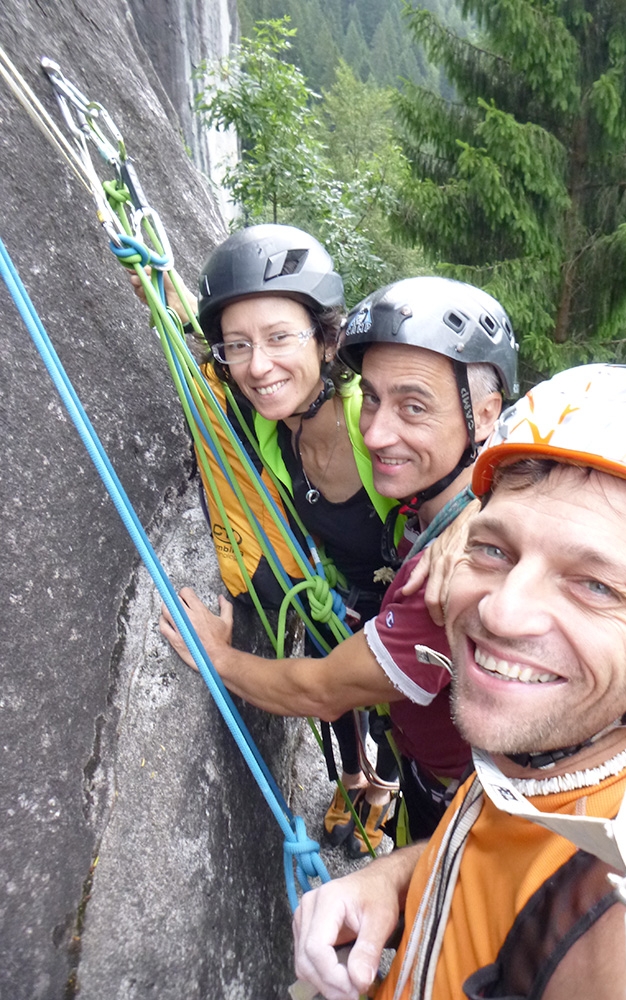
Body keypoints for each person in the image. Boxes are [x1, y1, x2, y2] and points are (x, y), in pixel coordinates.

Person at [291, 364, 626, 1000]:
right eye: (494, 551)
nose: (501, 612)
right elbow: (509, 849)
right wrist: (396, 882)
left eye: (595, 585)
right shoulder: (555, 762)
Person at [159, 275, 519, 845]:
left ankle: (379, 788)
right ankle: (367, 784)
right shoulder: (419, 510)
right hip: (398, 693)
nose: (378, 431)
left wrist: (215, 658)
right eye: (374, 398)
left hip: (467, 804)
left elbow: (320, 690)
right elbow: (232, 383)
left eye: (414, 406)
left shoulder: (452, 578)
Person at [144, 223, 406, 857]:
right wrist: (156, 289)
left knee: (400, 712)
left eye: (280, 337)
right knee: (339, 698)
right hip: (333, 598)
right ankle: (351, 778)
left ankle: (386, 789)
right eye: (240, 346)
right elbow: (203, 364)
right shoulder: (270, 423)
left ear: (324, 338)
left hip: (404, 613)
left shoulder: (371, 423)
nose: (258, 365)